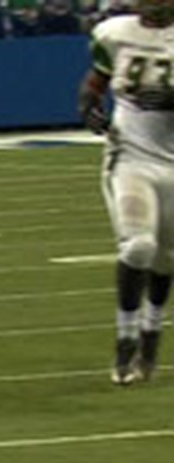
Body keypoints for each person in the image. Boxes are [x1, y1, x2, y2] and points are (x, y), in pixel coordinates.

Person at [80, 0, 174, 385]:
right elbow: (97, 78)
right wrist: (89, 103)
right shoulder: (116, 33)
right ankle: (126, 336)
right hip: (130, 156)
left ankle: (152, 332)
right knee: (138, 246)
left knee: (167, 259)